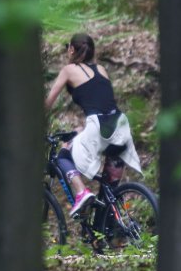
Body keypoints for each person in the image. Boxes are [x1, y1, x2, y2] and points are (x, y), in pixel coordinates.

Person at [45, 32, 142, 217]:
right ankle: (114, 233)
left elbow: (47, 104)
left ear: (71, 49)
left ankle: (81, 192)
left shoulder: (68, 70)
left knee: (63, 155)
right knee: (109, 193)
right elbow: (102, 105)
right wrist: (83, 129)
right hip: (119, 126)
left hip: (98, 127)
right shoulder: (101, 70)